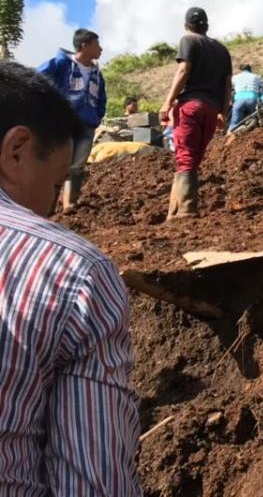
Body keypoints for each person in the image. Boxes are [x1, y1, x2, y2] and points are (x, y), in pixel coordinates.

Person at [0, 61, 140, 495]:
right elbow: (93, 484)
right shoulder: (74, 272)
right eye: (55, 183)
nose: (51, 207)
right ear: (16, 151)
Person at [158, 7, 232, 220]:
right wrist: (223, 112)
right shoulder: (222, 50)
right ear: (207, 26)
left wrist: (167, 102)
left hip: (190, 106)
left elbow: (183, 70)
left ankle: (185, 209)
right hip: (211, 109)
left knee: (185, 156)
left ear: (186, 25)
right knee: (194, 158)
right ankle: (175, 209)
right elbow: (227, 84)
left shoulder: (188, 40)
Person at [36, 28, 106, 213]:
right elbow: (36, 79)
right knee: (57, 163)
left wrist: (97, 116)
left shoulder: (96, 74)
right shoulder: (60, 64)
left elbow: (101, 98)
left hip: (86, 125)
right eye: (97, 45)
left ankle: (69, 203)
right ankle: (48, 206)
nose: (101, 49)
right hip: (63, 123)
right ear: (84, 45)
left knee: (77, 165)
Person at [229, 64, 263, 130]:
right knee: (256, 120)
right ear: (250, 70)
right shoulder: (256, 77)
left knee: (235, 122)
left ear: (241, 70)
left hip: (239, 101)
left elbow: (229, 89)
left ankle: (230, 131)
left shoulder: (235, 77)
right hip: (252, 100)